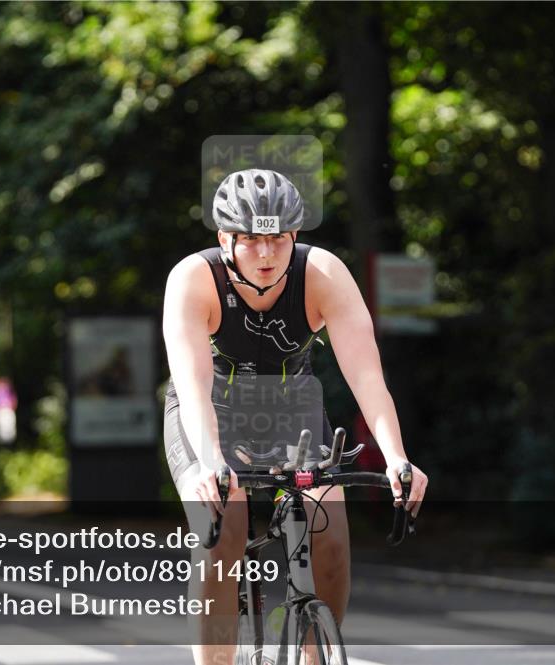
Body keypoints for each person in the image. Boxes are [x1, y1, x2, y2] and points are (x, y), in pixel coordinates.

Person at [162, 168, 428, 665]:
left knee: (329, 534)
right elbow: (193, 383)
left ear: (294, 236)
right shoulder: (194, 279)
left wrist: (396, 456)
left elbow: (368, 377)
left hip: (290, 411)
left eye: (278, 239)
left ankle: (314, 656)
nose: (266, 255)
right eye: (251, 240)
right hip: (208, 412)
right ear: (225, 238)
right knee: (224, 529)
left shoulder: (323, 274)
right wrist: (209, 463)